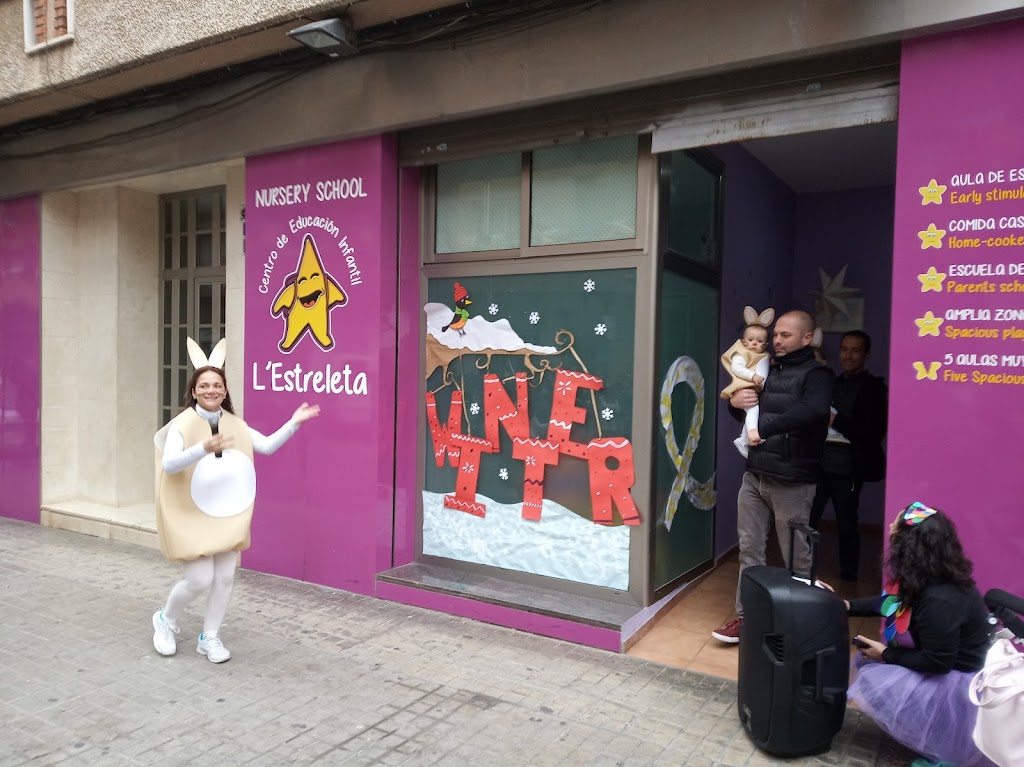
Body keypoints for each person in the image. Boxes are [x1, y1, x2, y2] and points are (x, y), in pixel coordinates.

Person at [151, 339, 320, 663]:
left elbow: (267, 446)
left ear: (225, 391)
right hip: (190, 513)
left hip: (226, 511)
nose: (211, 390)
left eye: (217, 385)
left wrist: (294, 423)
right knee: (200, 578)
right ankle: (165, 619)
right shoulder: (183, 425)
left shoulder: (235, 424)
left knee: (226, 576)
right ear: (194, 390)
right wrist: (201, 447)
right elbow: (169, 464)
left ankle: (209, 636)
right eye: (205, 385)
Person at [712, 310, 835, 644]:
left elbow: (812, 412)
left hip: (793, 481)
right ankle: (745, 619)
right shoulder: (764, 367)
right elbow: (745, 407)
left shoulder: (819, 376)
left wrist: (762, 428)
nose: (777, 340)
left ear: (807, 338)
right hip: (755, 475)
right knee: (750, 552)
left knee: (797, 556)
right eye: (775, 334)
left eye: (786, 335)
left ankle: (804, 627)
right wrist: (735, 402)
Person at [843, 502, 995, 767]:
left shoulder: (941, 600)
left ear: (909, 544)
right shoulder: (929, 578)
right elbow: (892, 602)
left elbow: (937, 663)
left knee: (871, 674)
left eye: (896, 523)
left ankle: (943, 749)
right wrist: (848, 606)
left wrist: (886, 654)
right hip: (948, 668)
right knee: (871, 666)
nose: (890, 526)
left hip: (960, 685)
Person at [809, 330, 888, 582]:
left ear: (867, 354)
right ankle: (802, 570)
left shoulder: (874, 388)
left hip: (849, 469)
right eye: (844, 349)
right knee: (808, 520)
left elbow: (874, 433)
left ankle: (848, 576)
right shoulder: (832, 382)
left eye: (855, 350)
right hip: (820, 464)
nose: (848, 355)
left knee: (846, 524)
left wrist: (838, 420)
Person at [720, 306, 775, 459]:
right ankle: (750, 435)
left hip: (755, 386)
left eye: (759, 341)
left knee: (753, 412)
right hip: (745, 385)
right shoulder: (741, 353)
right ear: (744, 342)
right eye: (750, 340)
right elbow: (736, 368)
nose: (754, 344)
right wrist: (752, 376)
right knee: (752, 409)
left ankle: (746, 438)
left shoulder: (765, 356)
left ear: (765, 344)